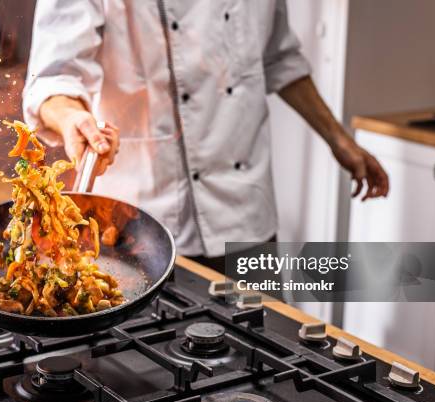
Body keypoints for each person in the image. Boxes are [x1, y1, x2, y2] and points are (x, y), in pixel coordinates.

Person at [23, 0, 389, 270]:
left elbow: (279, 58)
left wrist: (338, 139)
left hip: (247, 212)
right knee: (144, 368)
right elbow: (54, 79)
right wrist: (73, 117)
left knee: (268, 355)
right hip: (146, 222)